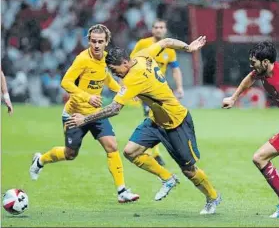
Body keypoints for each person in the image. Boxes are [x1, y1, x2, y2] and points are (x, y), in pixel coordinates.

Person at [66, 36, 222, 214]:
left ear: (125, 63)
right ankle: (167, 178)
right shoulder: (141, 55)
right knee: (130, 152)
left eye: (114, 70)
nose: (114, 74)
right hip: (156, 120)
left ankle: (213, 197)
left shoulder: (133, 78)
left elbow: (115, 109)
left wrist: (84, 119)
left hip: (176, 122)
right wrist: (188, 47)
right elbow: (165, 42)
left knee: (189, 170)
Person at [29, 24, 139, 203]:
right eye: (93, 41)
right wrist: (87, 97)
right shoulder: (82, 59)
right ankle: (40, 160)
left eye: (100, 42)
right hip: (75, 115)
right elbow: (65, 82)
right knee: (70, 153)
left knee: (112, 146)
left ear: (106, 42)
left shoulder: (105, 59)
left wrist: (122, 91)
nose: (96, 45)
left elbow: (107, 78)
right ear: (89, 41)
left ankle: (122, 191)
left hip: (95, 114)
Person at [222, 41, 279, 218]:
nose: (251, 65)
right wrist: (233, 97)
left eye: (253, 62)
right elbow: (250, 78)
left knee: (259, 157)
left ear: (265, 62)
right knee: (259, 158)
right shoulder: (261, 72)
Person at [130, 19, 184, 166]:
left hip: (160, 90)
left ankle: (151, 150)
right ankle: (154, 153)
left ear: (165, 30)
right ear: (152, 29)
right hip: (144, 88)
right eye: (156, 27)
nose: (159, 30)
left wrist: (179, 87)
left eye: (161, 27)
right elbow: (130, 63)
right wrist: (130, 88)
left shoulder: (170, 50)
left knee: (160, 119)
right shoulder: (143, 44)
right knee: (152, 117)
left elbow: (175, 68)